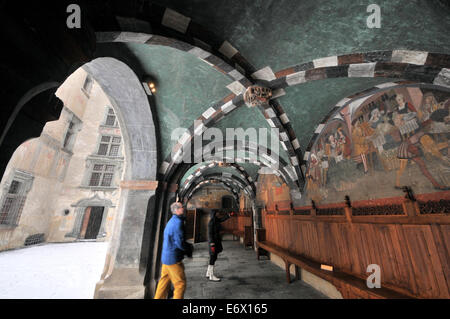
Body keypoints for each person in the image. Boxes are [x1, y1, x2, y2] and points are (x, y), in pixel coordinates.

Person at [154, 202, 193, 299]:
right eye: (181, 207)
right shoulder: (177, 223)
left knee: (163, 283)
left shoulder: (172, 220)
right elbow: (179, 243)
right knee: (180, 284)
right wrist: (188, 249)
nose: (183, 208)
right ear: (176, 210)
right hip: (173, 259)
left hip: (166, 258)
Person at [206, 209, 232, 282]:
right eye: (217, 213)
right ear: (214, 214)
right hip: (213, 243)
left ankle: (208, 273)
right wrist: (212, 243)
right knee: (213, 257)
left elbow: (222, 219)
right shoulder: (211, 222)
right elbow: (210, 233)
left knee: (213, 257)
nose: (218, 214)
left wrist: (228, 216)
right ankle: (211, 275)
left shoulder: (216, 220)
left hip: (216, 241)